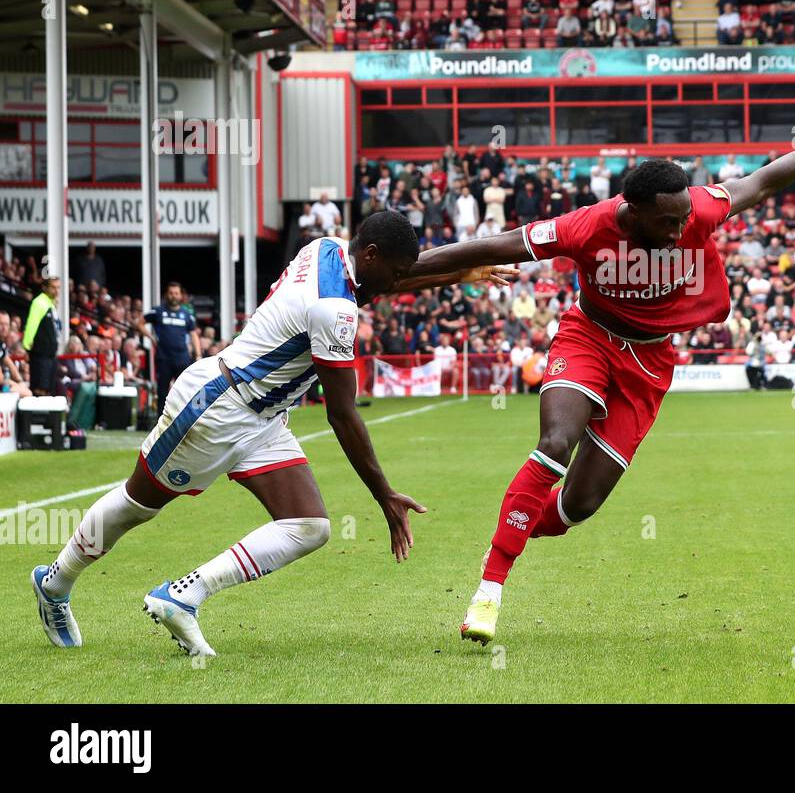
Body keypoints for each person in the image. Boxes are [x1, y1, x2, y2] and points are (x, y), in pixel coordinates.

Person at [397, 90, 795, 644]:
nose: (680, 231)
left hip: (649, 360)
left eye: (684, 219)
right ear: (634, 211)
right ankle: (490, 587)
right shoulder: (583, 226)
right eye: (668, 223)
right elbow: (494, 244)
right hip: (589, 338)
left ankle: (514, 530)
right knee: (555, 442)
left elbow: (765, 180)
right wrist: (396, 271)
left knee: (579, 505)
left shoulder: (697, 207)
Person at [31, 211, 514, 655]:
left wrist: (454, 273)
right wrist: (384, 495)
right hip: (215, 410)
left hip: (261, 417)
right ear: (370, 256)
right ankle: (55, 583)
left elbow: (379, 281)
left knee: (309, 526)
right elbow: (342, 414)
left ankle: (183, 596)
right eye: (397, 270)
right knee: (136, 506)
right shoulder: (334, 308)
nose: (399, 280)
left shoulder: (325, 247)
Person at [140, 281, 201, 409]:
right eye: (171, 293)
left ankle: (184, 421)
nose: (174, 296)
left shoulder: (187, 315)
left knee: (185, 391)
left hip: (182, 358)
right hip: (164, 358)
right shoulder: (158, 311)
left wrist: (198, 355)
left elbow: (193, 334)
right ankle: (161, 423)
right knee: (162, 392)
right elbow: (139, 323)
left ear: (181, 296)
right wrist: (150, 337)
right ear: (166, 294)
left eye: (176, 293)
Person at [23, 276, 61, 395]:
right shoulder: (39, 302)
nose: (56, 291)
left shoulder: (51, 304)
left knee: (49, 390)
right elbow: (31, 324)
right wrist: (27, 347)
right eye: (53, 287)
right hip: (41, 356)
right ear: (44, 288)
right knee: (40, 391)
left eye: (58, 288)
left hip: (50, 355)